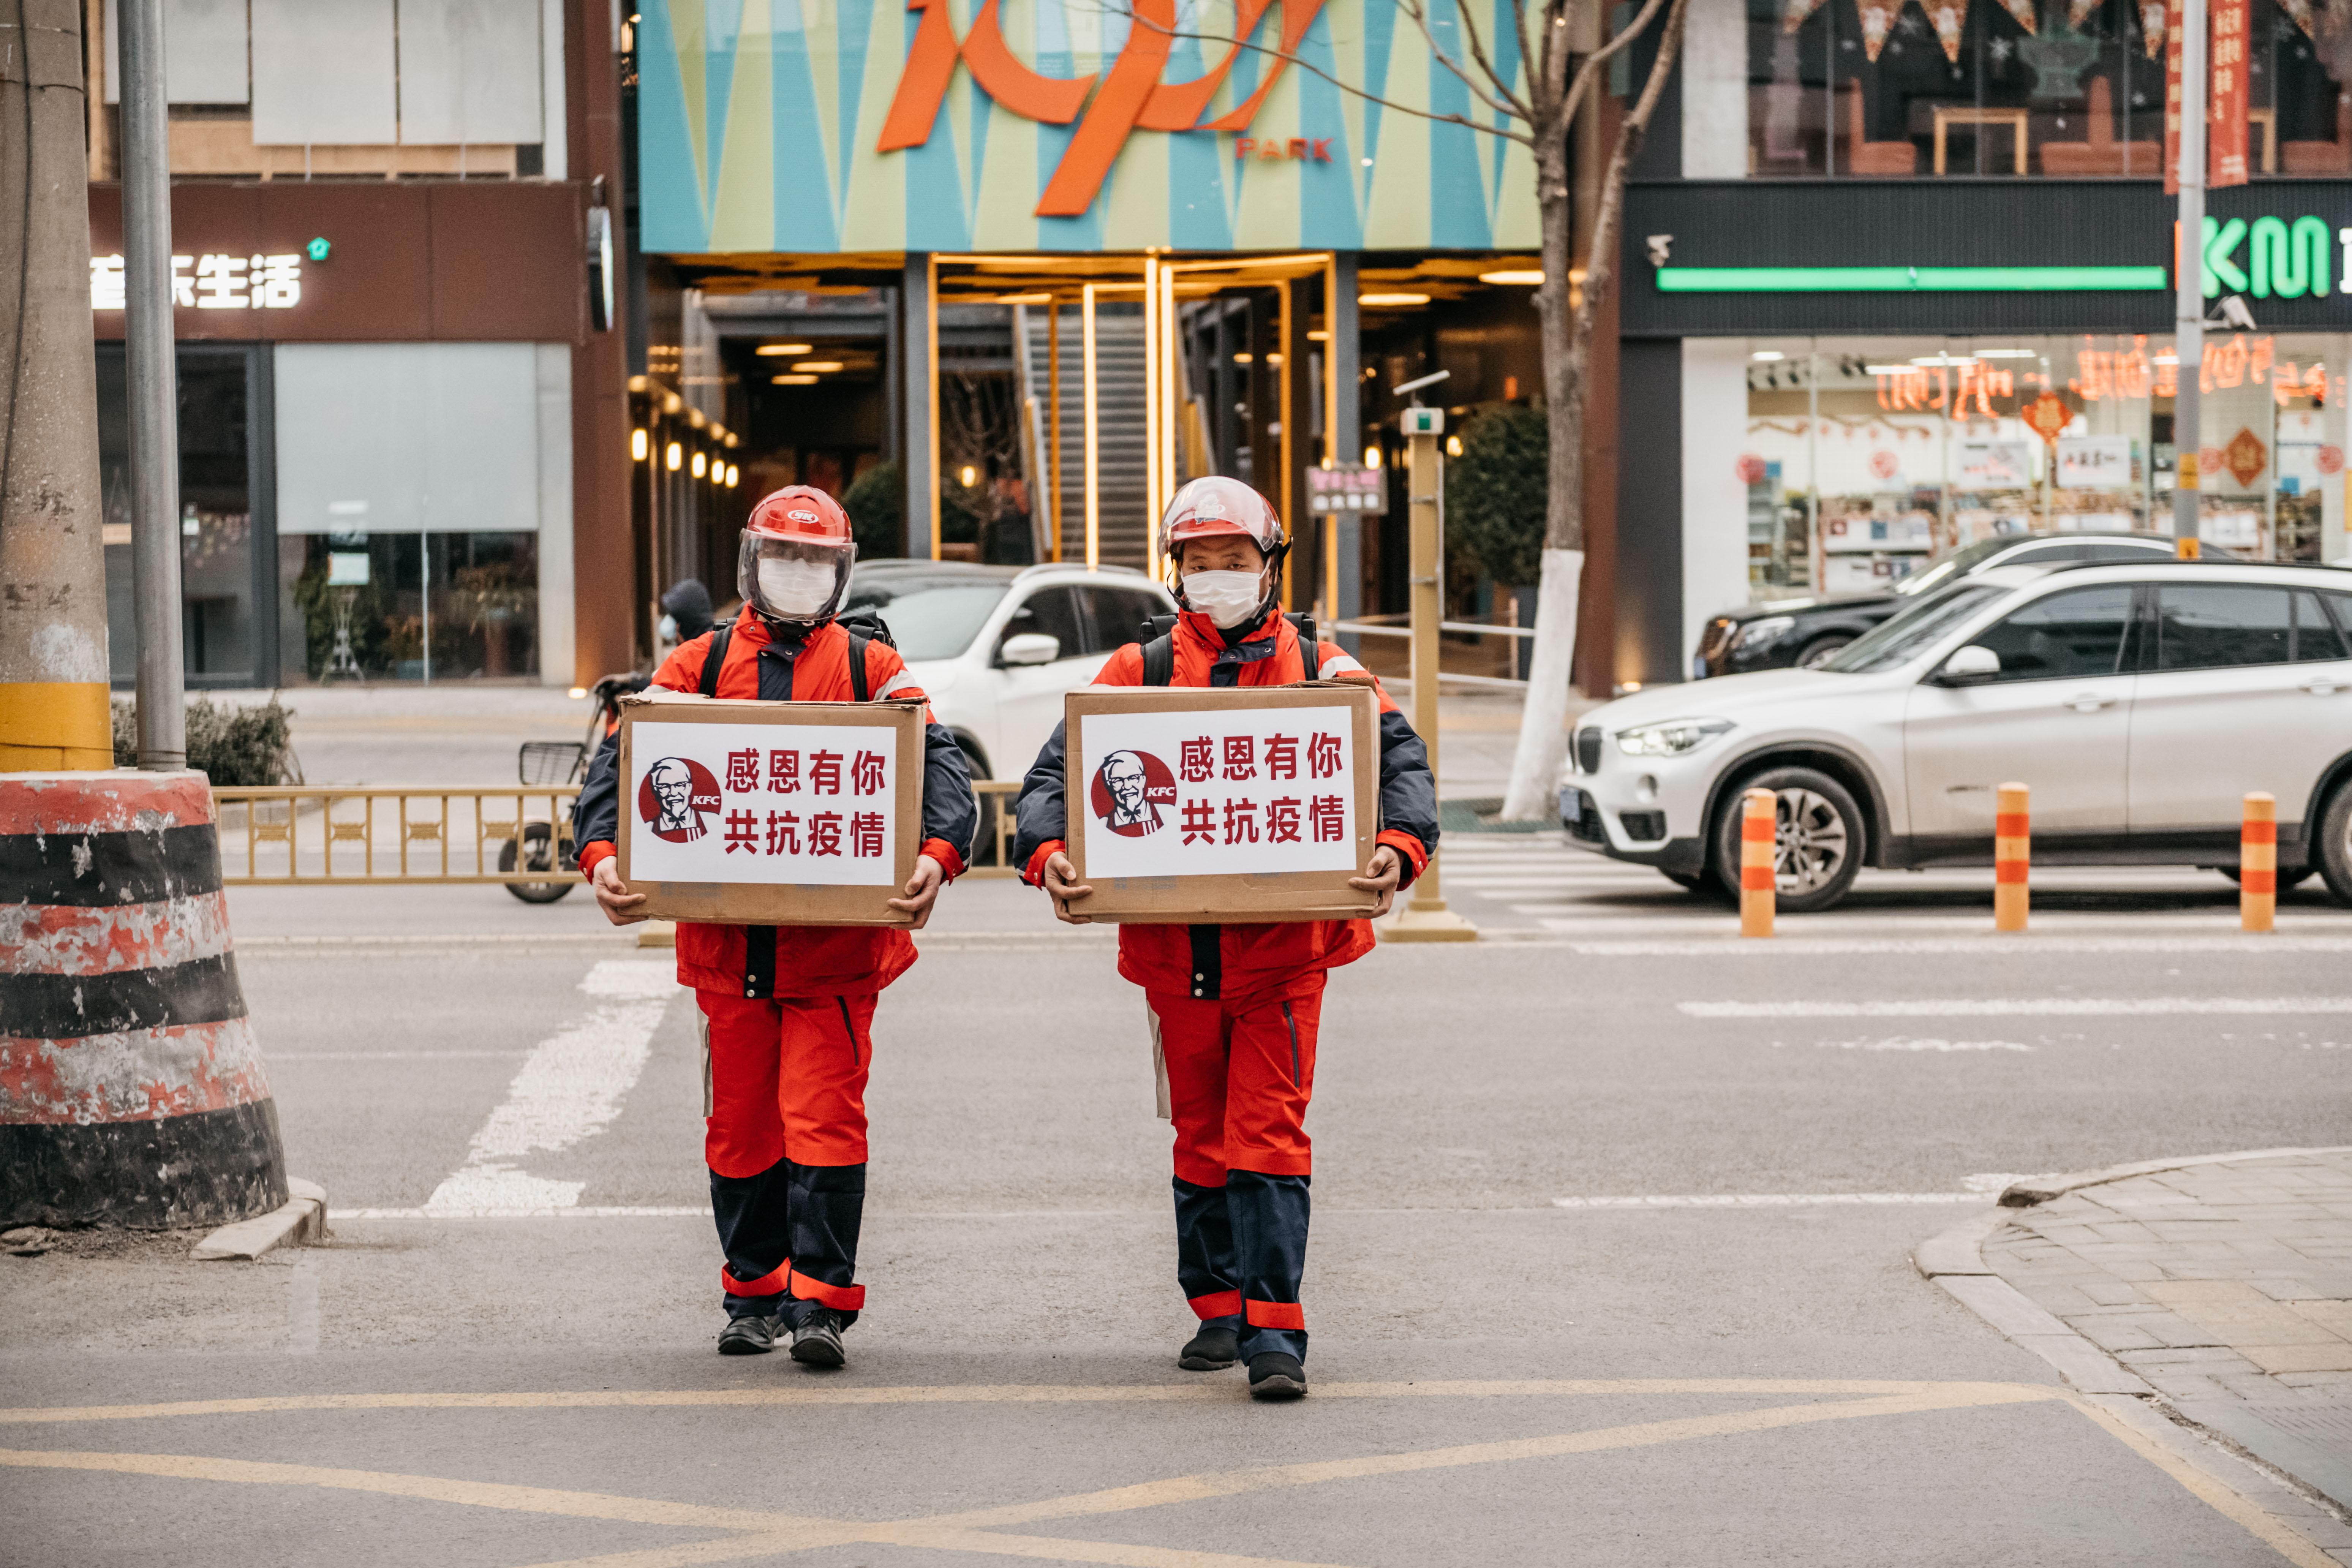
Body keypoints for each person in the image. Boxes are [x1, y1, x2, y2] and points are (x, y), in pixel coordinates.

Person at [1010, 476, 1438, 1402]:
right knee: (1201, 1136)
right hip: (1177, 961)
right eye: (1199, 564)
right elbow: (1055, 775)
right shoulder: (1138, 672)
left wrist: (1400, 845)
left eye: (1233, 561)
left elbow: (1400, 762)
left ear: (1269, 565)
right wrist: (1047, 851)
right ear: (1176, 572)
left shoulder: (1324, 671)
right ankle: (1217, 1309)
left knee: (1267, 1133)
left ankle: (1276, 1329)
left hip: (1285, 956)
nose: (1216, 577)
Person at [573, 486, 978, 1368]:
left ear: (841, 573)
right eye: (783, 558)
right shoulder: (696, 666)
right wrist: (601, 855)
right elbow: (618, 765)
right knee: (740, 1129)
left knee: (825, 1123)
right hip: (730, 955)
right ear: (753, 564)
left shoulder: (874, 669)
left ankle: (821, 1303)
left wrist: (940, 854)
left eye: (814, 561)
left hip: (836, 955)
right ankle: (753, 1294)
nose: (797, 574)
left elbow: (939, 765)